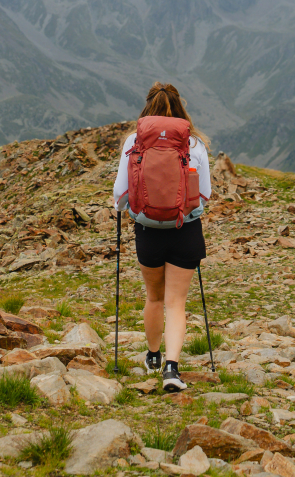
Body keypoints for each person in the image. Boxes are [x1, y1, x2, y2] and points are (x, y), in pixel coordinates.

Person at [113, 82, 212, 392]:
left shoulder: (134, 142)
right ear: (180, 108)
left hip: (148, 231)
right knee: (176, 304)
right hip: (186, 231)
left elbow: (120, 194)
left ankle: (153, 357)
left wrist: (130, 210)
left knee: (153, 297)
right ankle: (172, 369)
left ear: (147, 108)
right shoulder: (194, 144)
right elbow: (205, 194)